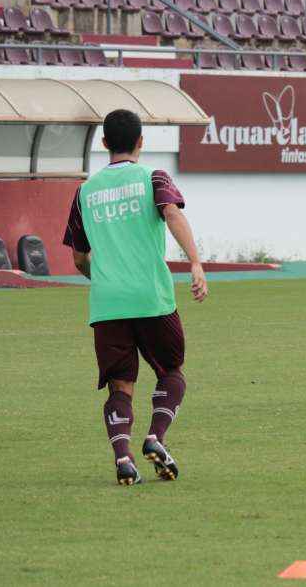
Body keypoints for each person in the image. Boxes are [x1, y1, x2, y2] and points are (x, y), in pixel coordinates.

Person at [63, 109, 207, 486]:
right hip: (151, 296)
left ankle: (123, 458)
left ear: (105, 143)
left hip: (107, 303)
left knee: (120, 385)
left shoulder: (84, 192)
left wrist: (107, 278)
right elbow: (171, 212)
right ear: (141, 141)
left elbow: (79, 257)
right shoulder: (153, 177)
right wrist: (195, 262)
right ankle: (155, 437)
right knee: (171, 371)